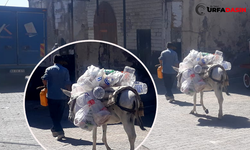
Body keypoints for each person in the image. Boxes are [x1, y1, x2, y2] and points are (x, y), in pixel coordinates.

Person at [41, 55, 71, 140]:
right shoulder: (65, 70)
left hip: (51, 96)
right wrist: (69, 95)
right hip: (62, 96)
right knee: (58, 115)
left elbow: (44, 79)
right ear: (61, 61)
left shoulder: (49, 69)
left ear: (54, 61)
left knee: (53, 115)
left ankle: (60, 132)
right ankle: (54, 129)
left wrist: (45, 86)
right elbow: (68, 84)